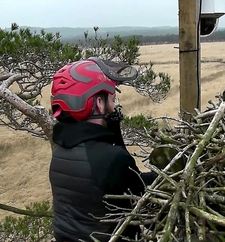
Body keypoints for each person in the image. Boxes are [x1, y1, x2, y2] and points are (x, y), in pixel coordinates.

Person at [49, 58, 157, 242]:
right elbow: (146, 200)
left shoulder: (61, 151)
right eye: (112, 99)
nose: (114, 107)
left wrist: (113, 131)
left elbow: (120, 183)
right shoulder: (111, 159)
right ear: (99, 103)